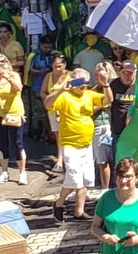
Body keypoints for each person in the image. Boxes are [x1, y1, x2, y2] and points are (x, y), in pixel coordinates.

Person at [47, 67, 114, 222]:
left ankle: (79, 211)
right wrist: (60, 90)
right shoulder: (65, 96)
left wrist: (105, 84)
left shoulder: (89, 95)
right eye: (80, 83)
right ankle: (59, 203)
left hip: (86, 143)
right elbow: (48, 104)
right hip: (69, 143)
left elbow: (108, 100)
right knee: (74, 179)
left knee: (85, 179)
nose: (84, 86)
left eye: (86, 82)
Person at [0, 53, 28, 185]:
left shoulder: (14, 75)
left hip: (14, 112)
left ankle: (22, 172)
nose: (1, 64)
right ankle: (4, 171)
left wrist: (8, 77)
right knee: (2, 143)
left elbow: (19, 88)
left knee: (17, 143)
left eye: (3, 61)